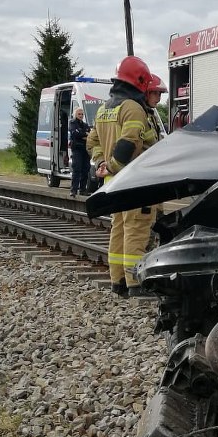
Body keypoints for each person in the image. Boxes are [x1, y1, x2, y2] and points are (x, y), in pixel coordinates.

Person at [87, 56, 161, 298]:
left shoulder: (104, 108)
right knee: (136, 231)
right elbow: (129, 142)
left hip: (114, 185)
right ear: (139, 81)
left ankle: (117, 281)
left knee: (118, 230)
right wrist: (115, 166)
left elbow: (92, 141)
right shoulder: (133, 108)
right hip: (135, 182)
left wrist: (101, 163)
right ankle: (135, 283)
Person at [68, 107, 91, 198]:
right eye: (79, 114)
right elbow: (74, 133)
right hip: (77, 149)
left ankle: (82, 190)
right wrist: (85, 134)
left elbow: (90, 135)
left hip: (85, 150)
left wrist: (83, 134)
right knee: (76, 169)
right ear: (75, 115)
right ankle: (73, 190)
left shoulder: (85, 125)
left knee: (85, 169)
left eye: (82, 114)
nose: (81, 115)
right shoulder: (72, 123)